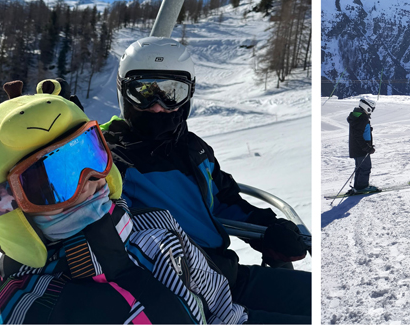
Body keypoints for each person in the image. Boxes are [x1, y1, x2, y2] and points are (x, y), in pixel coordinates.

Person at [0, 79, 247, 324]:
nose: (91, 179)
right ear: (3, 208)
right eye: (54, 183)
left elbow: (220, 304)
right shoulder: (29, 312)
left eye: (90, 153)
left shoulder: (156, 226)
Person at [101, 38, 311, 323]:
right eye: (144, 92)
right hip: (179, 299)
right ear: (124, 91)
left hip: (229, 277)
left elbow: (225, 201)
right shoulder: (107, 157)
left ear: (189, 95)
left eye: (172, 93)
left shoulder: (193, 150)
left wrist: (270, 228)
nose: (158, 107)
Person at [347, 96, 377, 193]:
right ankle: (362, 187)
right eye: (372, 109)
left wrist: (368, 129)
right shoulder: (362, 118)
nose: (372, 111)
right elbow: (358, 135)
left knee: (360, 167)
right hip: (361, 149)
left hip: (357, 148)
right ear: (367, 107)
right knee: (365, 167)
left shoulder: (357, 116)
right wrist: (367, 148)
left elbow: (358, 130)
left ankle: (358, 186)